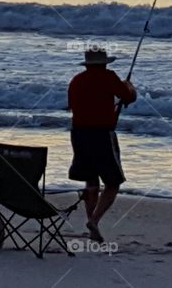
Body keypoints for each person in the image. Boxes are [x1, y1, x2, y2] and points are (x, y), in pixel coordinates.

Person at [67, 48, 136, 242]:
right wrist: (129, 86)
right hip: (102, 134)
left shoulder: (76, 80)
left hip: (79, 134)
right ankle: (95, 220)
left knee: (91, 181)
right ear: (105, 63)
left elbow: (72, 105)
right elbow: (129, 97)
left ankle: (91, 225)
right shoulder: (108, 77)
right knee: (113, 182)